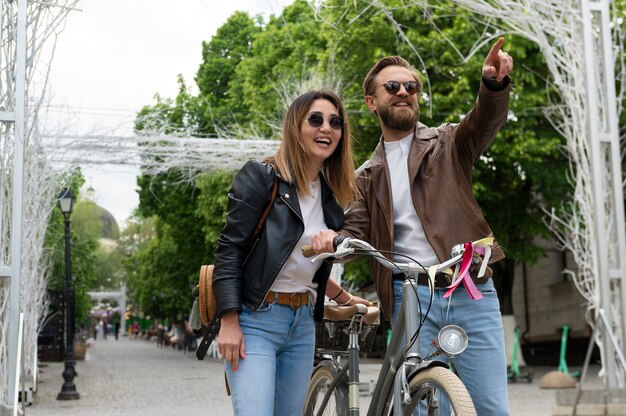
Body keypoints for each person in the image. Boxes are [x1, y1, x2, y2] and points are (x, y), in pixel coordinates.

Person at [312, 38, 513, 415]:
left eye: (411, 86)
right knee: (418, 406)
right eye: (392, 87)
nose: (403, 92)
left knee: (490, 408)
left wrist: (493, 85)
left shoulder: (449, 142)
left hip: (471, 289)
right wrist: (335, 240)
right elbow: (354, 232)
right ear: (372, 102)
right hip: (412, 297)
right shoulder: (365, 178)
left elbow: (484, 121)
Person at [213, 90, 370, 416]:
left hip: (302, 326)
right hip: (255, 321)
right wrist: (228, 320)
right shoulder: (261, 176)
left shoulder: (330, 197)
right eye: (316, 119)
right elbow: (229, 249)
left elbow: (301, 264)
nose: (326, 128)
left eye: (335, 122)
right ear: (295, 126)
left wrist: (344, 298)